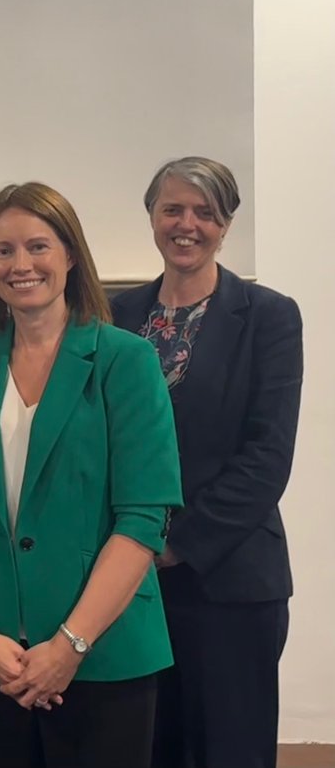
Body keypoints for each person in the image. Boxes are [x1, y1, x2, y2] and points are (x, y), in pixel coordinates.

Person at [0, 181, 182, 768]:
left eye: (37, 246)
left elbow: (143, 519)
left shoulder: (126, 360)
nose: (20, 264)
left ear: (71, 256)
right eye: (3, 251)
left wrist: (69, 644)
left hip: (102, 657)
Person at [111, 157, 303, 768]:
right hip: (129, 585)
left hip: (229, 581)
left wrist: (173, 543)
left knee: (228, 750)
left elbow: (267, 458)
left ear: (226, 225)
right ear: (152, 217)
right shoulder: (116, 316)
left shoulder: (269, 316)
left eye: (205, 213)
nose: (186, 224)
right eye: (173, 209)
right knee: (146, 747)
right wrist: (128, 548)